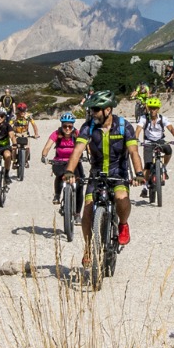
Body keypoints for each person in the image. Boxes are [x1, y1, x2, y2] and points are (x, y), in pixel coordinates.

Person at [66, 91, 143, 268]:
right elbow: (78, 150)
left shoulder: (124, 126)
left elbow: (133, 152)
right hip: (96, 175)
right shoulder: (88, 127)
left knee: (121, 198)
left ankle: (123, 224)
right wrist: (69, 171)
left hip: (119, 174)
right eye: (91, 109)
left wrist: (138, 173)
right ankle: (88, 248)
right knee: (87, 210)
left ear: (107, 110)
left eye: (95, 109)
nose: (92, 112)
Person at [135, 97, 174, 197]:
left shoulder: (163, 119)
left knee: (168, 150)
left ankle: (164, 166)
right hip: (148, 142)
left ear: (158, 109)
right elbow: (138, 129)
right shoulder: (144, 118)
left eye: (155, 108)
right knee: (147, 165)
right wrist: (136, 139)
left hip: (160, 140)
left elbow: (171, 129)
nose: (153, 110)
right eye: (151, 108)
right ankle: (145, 187)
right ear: (148, 108)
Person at [40, 112, 81, 204]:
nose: (67, 128)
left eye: (70, 126)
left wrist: (90, 155)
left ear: (73, 126)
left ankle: (76, 201)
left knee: (79, 180)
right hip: (59, 161)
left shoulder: (77, 134)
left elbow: (85, 145)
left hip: (74, 161)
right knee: (59, 175)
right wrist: (44, 156)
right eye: (65, 126)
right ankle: (57, 195)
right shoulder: (56, 134)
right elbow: (47, 146)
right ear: (61, 125)